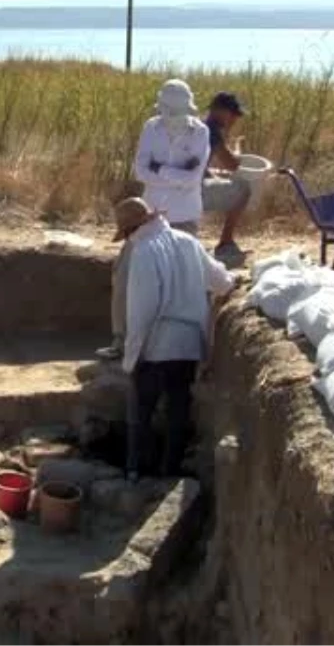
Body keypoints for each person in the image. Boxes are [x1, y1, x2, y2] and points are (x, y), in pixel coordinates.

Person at [113, 197, 237, 481]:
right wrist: (235, 282)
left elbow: (142, 310)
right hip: (189, 345)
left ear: (131, 230)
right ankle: (170, 473)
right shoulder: (188, 241)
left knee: (141, 413)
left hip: (156, 345)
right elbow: (221, 281)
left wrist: (131, 357)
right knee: (177, 412)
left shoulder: (143, 251)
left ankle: (135, 471)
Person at [98, 79, 210, 360]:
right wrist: (176, 173)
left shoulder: (201, 133)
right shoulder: (152, 127)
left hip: (184, 217)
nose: (170, 117)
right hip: (147, 217)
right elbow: (140, 171)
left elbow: (193, 179)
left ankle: (192, 348)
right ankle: (121, 340)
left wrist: (160, 169)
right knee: (124, 273)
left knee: (186, 280)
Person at [202, 91, 253, 267]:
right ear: (219, 111)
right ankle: (226, 242)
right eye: (233, 114)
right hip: (193, 193)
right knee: (244, 189)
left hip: (177, 189)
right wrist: (238, 147)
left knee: (223, 180)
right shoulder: (211, 131)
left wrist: (214, 174)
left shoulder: (200, 126)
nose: (234, 119)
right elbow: (232, 164)